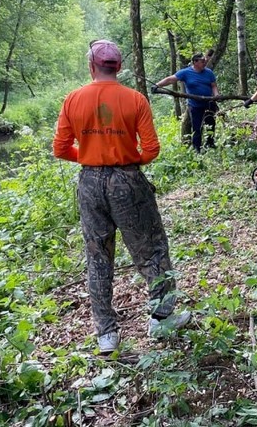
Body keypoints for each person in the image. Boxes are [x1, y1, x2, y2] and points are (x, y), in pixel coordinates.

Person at [53, 39, 190, 354]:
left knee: (98, 256)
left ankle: (106, 334)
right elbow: (151, 149)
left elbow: (60, 148)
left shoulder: (73, 99)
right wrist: (125, 163)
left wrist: (91, 157)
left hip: (88, 183)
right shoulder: (135, 100)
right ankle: (161, 319)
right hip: (127, 180)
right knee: (152, 249)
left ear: (92, 67)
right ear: (119, 67)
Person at [152, 52, 219, 152]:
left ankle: (210, 143)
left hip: (209, 103)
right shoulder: (185, 72)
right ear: (195, 62)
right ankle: (197, 149)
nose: (204, 63)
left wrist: (216, 95)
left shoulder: (209, 72)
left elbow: (213, 85)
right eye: (202, 61)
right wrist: (157, 85)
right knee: (197, 128)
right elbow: (171, 79)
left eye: (204, 61)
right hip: (195, 106)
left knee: (211, 124)